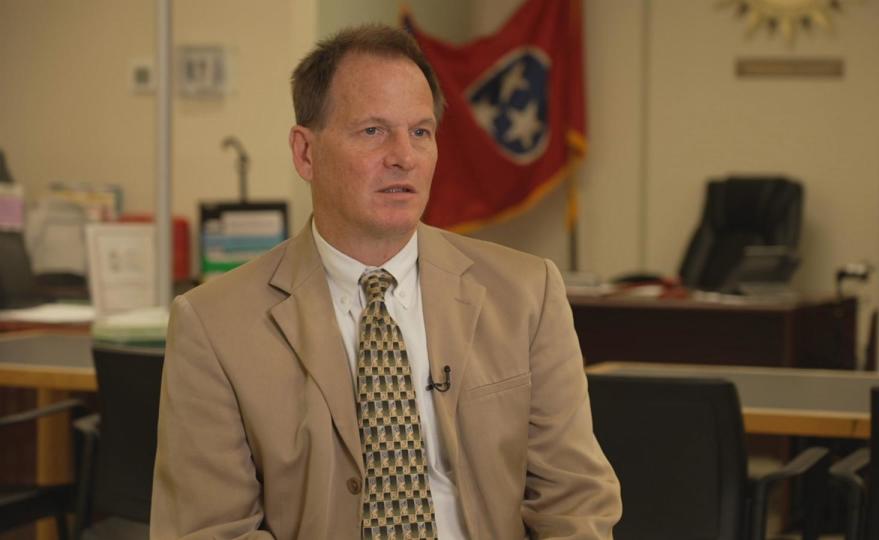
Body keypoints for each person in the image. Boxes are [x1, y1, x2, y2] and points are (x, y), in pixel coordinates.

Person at [151, 24, 620, 540]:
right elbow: (211, 530)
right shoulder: (214, 324)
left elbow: (575, 500)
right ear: (306, 153)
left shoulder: (528, 293)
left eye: (420, 132)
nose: (404, 156)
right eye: (373, 131)